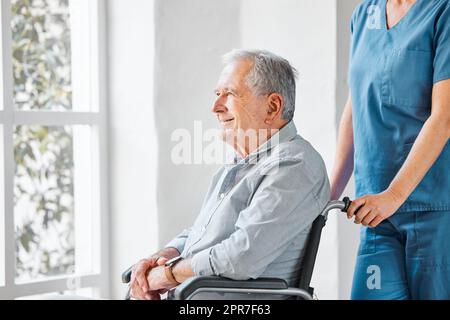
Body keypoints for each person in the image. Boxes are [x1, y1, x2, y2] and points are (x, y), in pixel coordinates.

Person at [129, 49, 330, 300]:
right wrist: (162, 257)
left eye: (230, 94)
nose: (215, 107)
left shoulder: (294, 165)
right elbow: (202, 234)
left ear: (272, 106)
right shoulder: (244, 162)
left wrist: (167, 275)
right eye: (217, 94)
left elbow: (242, 257)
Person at [331, 0, 450, 299]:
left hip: (434, 209)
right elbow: (356, 104)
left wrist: (393, 196)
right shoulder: (364, 15)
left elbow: (444, 117)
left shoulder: (442, 11)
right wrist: (329, 193)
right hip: (375, 209)